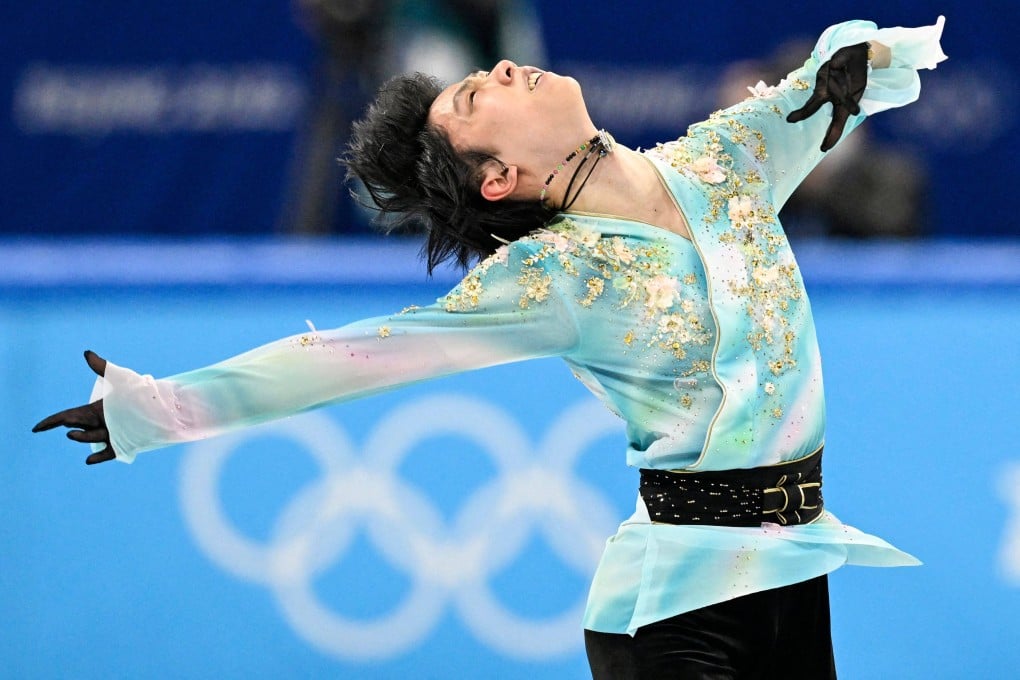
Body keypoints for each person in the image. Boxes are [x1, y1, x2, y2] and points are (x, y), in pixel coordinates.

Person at [34, 16, 947, 679]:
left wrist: (863, 56)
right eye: (478, 94)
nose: (505, 65)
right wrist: (157, 411)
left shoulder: (726, 161)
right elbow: (352, 356)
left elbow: (835, 78)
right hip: (676, 614)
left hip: (796, 576)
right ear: (501, 177)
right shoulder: (550, 277)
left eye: (489, 73)